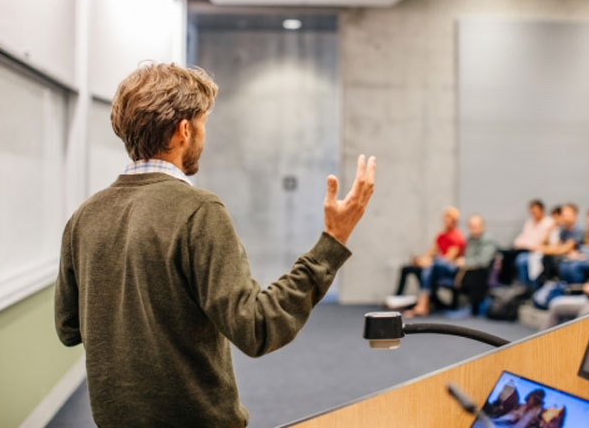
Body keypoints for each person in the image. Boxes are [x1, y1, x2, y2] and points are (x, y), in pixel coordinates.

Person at [53, 63, 377, 428]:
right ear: (184, 130)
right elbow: (258, 328)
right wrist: (332, 242)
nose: (204, 137)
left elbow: (68, 328)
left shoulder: (85, 216)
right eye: (203, 123)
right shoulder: (198, 211)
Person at [405, 214, 497, 316]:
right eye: (470, 226)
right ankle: (423, 304)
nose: (472, 228)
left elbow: (483, 261)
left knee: (435, 264)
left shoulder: (484, 239)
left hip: (463, 270)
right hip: (459, 268)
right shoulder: (469, 238)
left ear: (482, 226)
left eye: (475, 226)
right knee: (429, 268)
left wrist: (465, 262)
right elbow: (434, 250)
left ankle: (422, 303)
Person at [394, 206, 466, 296]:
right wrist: (422, 260)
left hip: (448, 269)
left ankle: (426, 301)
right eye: (445, 217)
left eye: (449, 217)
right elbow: (430, 252)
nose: (446, 220)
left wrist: (428, 262)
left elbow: (447, 260)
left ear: (454, 220)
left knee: (428, 269)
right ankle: (396, 298)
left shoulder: (457, 237)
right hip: (436, 264)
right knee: (407, 268)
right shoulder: (441, 235)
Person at [516, 203, 584, 287]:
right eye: (563, 214)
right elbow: (555, 246)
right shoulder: (563, 229)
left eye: (567, 214)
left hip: (574, 260)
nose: (564, 217)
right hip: (561, 258)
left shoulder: (578, 229)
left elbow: (565, 249)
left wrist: (542, 249)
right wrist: (551, 227)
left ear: (574, 214)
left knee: (564, 267)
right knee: (528, 260)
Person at [499, 200, 555, 284]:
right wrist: (519, 243)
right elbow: (522, 237)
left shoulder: (548, 222)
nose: (533, 214)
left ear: (541, 210)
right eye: (531, 212)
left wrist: (528, 244)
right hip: (523, 248)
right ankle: (506, 282)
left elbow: (541, 241)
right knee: (505, 255)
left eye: (535, 212)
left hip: (538, 251)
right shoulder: (529, 222)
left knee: (521, 260)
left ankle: (526, 286)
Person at [557, 208, 589, 284]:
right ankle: (567, 288)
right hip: (588, 259)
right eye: (588, 222)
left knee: (573, 267)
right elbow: (586, 250)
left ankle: (577, 288)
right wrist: (579, 255)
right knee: (564, 265)